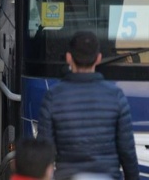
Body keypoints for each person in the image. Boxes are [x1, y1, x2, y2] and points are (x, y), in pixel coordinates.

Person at [37, 31, 139, 180]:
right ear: (98, 58)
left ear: (69, 58)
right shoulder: (116, 96)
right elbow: (127, 151)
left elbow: (44, 151)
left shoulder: (53, 97)